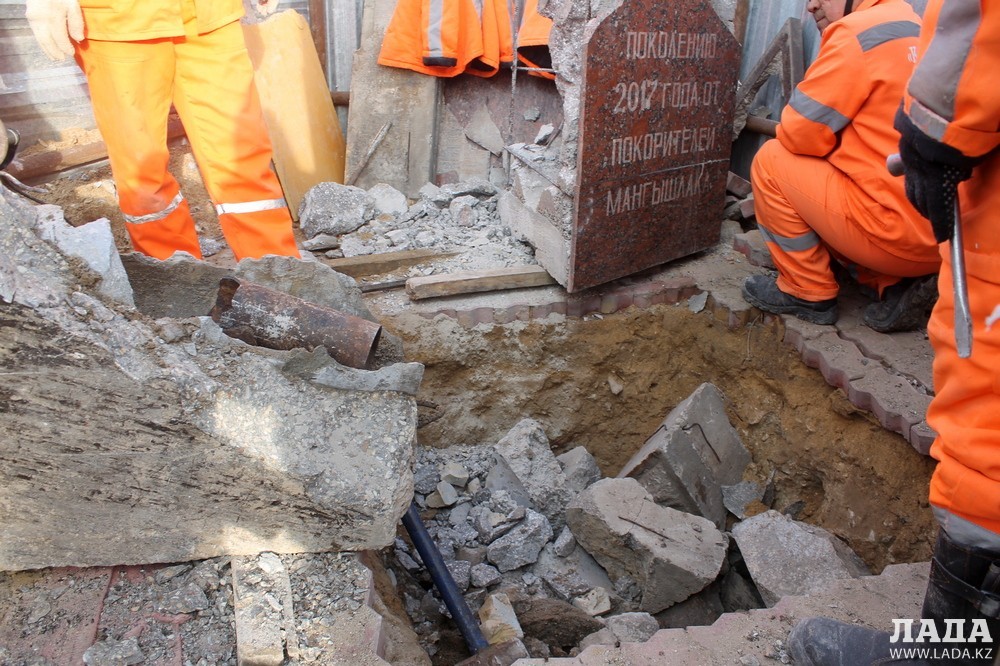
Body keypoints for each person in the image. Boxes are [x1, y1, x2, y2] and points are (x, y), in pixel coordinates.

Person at [787, 0, 1000, 663]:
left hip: (919, 207)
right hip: (914, 243)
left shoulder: (855, 34)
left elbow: (796, 138)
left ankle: (949, 648)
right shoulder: (897, 25)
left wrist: (936, 127)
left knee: (986, 401)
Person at [24, 0, 300, 262]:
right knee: (142, 173)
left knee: (243, 157)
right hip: (119, 21)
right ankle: (178, 287)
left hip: (209, 15)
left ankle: (280, 279)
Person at [741, 0, 940, 333]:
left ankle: (807, 291)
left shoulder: (854, 34)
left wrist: (827, 144)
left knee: (771, 161)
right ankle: (893, 285)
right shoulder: (915, 24)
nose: (811, 6)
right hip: (939, 238)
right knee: (846, 185)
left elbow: (797, 133)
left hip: (892, 235)